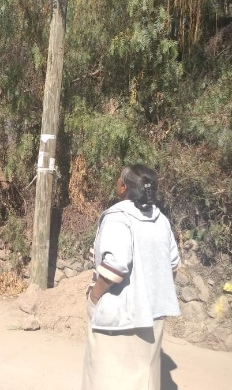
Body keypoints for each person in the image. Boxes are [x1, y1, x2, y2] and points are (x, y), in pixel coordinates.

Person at [82, 164, 181, 390]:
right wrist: (152, 295)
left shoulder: (118, 218)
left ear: (123, 187)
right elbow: (173, 265)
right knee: (143, 379)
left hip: (119, 318)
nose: (117, 182)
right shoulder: (161, 220)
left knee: (106, 378)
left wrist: (94, 296)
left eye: (119, 179)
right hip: (153, 316)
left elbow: (115, 266)